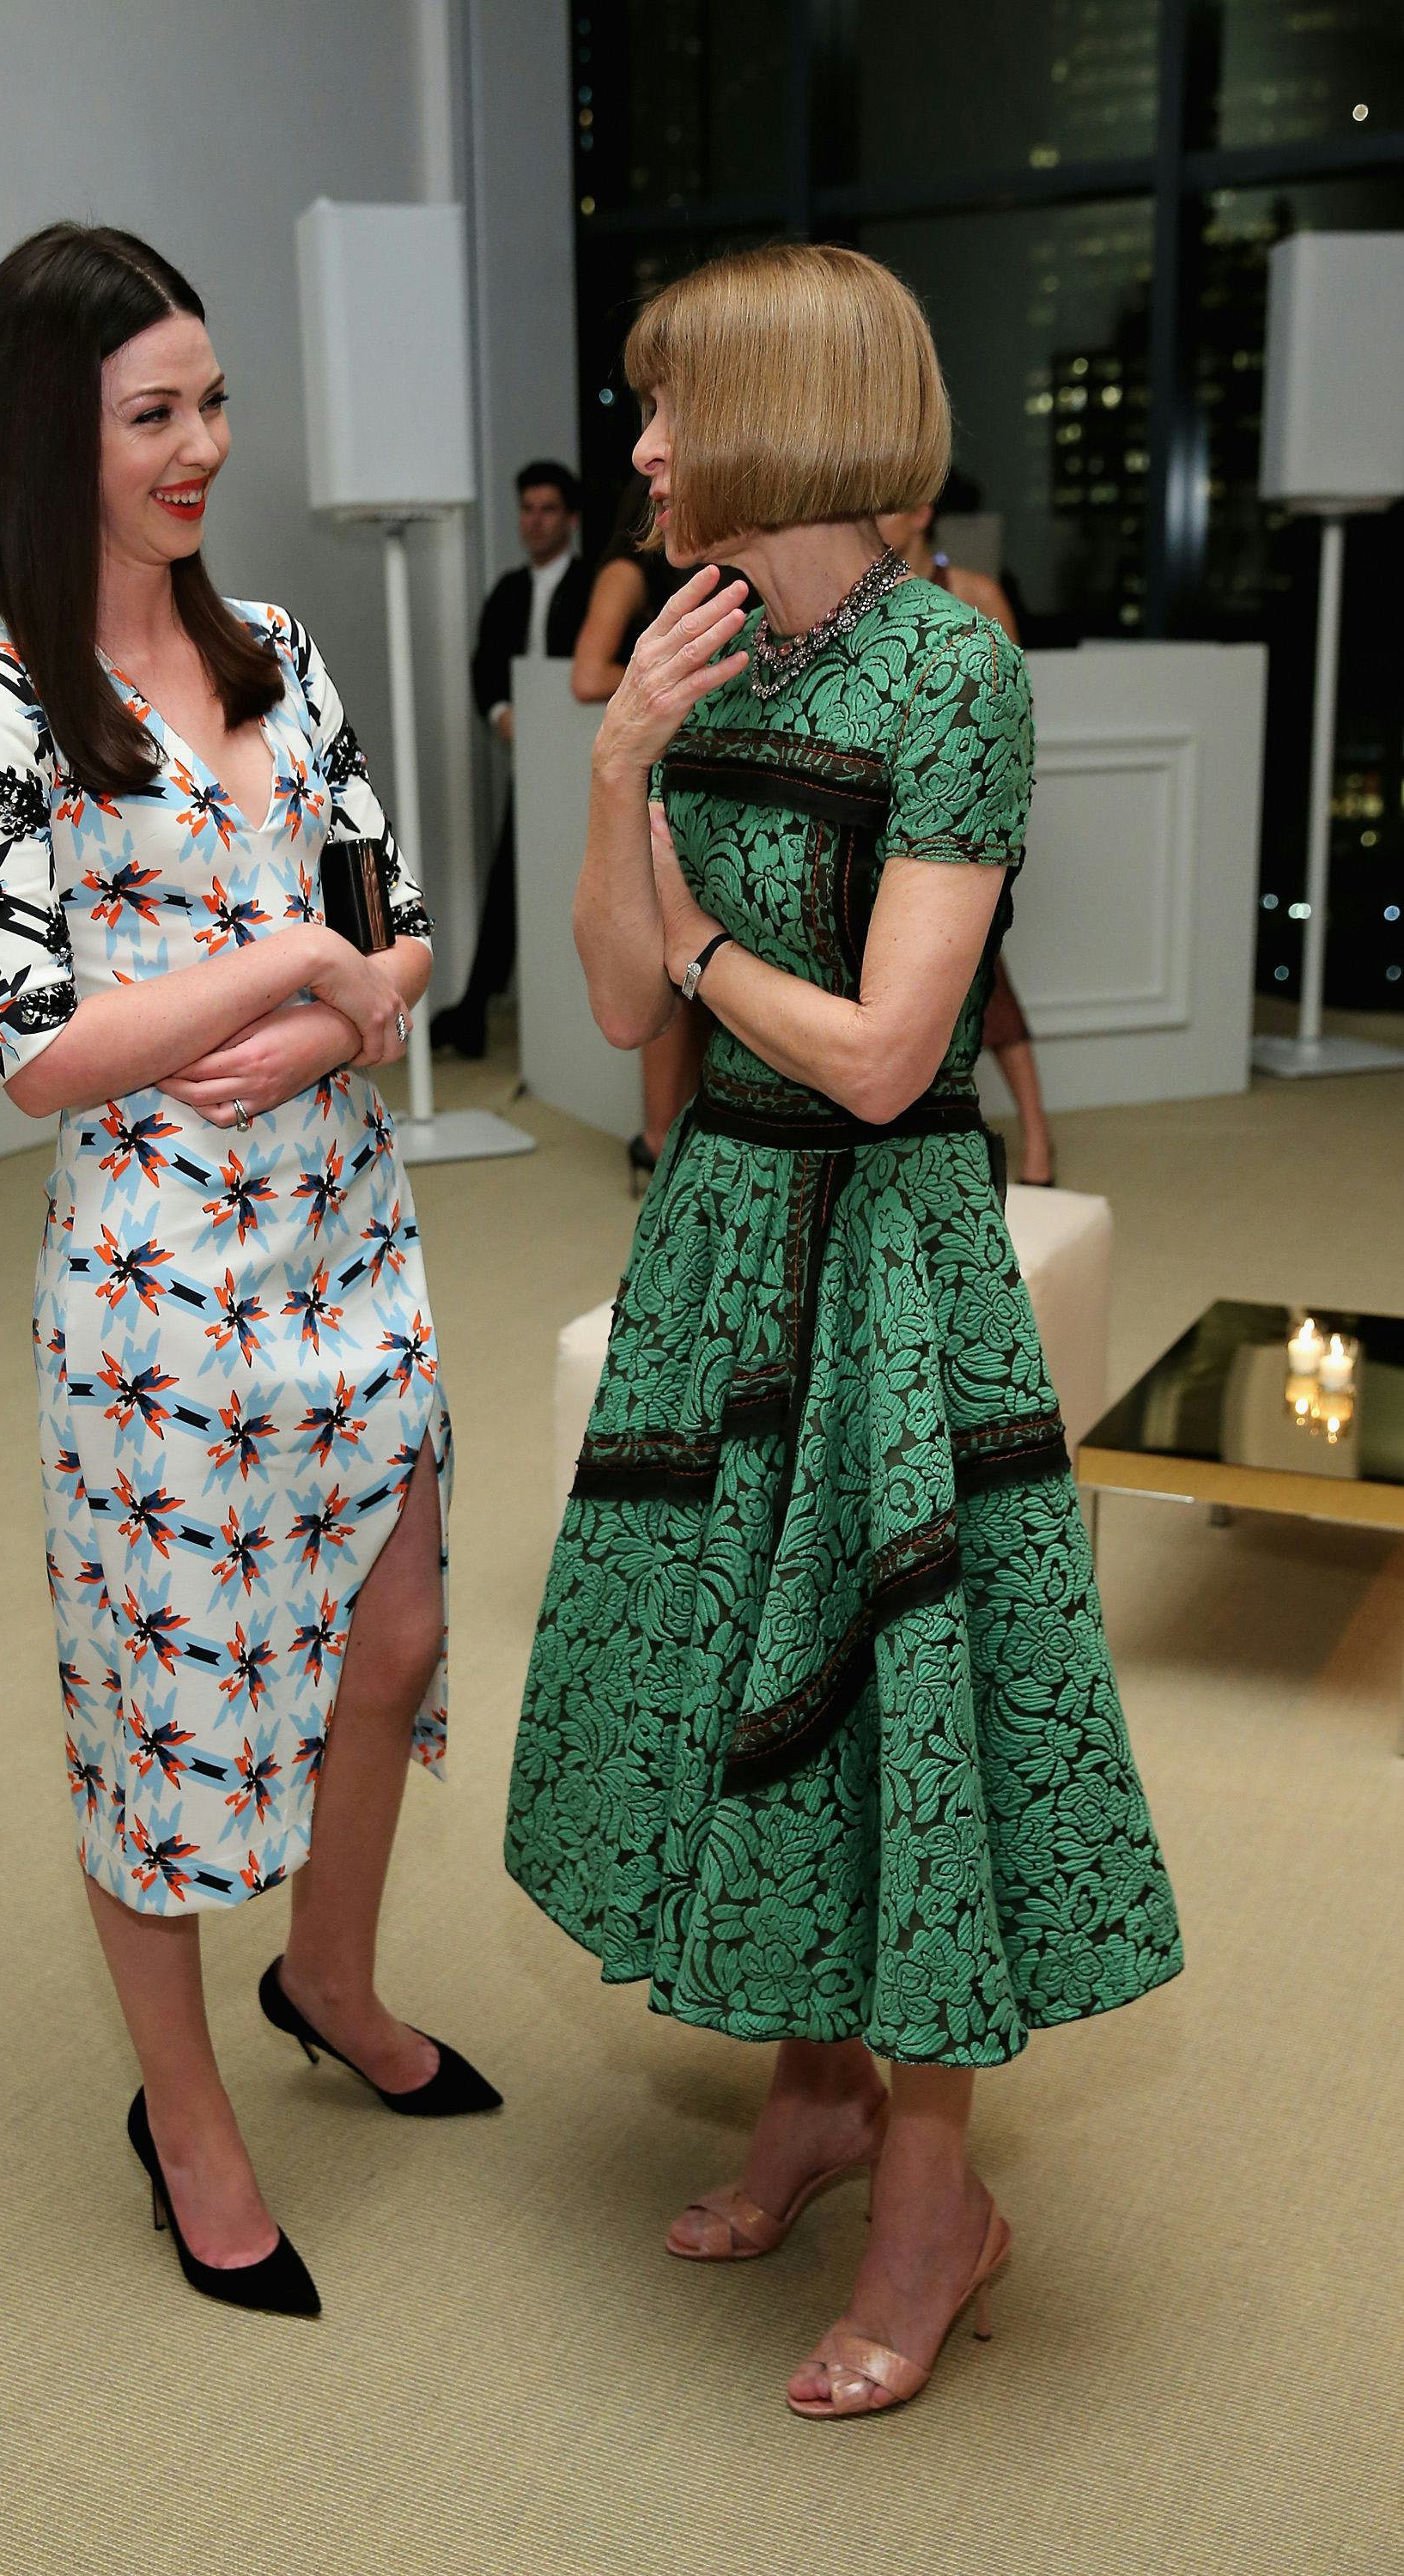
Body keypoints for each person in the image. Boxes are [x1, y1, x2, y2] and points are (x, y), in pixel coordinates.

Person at [505, 243, 1182, 2421]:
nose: (638, 445)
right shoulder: (704, 648)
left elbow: (894, 1053)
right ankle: (805, 2100)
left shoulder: (944, 675)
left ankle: (933, 2203)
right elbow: (613, 999)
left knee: (896, 1700)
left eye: (665, 405)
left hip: (882, 1242)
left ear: (779, 411)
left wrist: (697, 947)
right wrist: (618, 773)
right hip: (726, 1226)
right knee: (739, 1659)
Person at [0, 223, 498, 2320]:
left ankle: (325, 1972)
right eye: (152, 413)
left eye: (211, 401)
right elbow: (34, 1046)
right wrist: (285, 966)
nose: (202, 446)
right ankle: (181, 2121)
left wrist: (355, 1006)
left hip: (350, 1232)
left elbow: (401, 916)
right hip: (159, 1291)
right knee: (160, 1722)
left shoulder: (279, 646)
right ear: (46, 434)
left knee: (400, 1632)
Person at [879, 496, 1056, 1185]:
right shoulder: (872, 597)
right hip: (894, 816)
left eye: (888, 507)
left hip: (967, 818)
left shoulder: (976, 593)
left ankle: (1037, 1139)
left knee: (986, 975)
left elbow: (1009, 707)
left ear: (922, 512)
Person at [429, 460, 591, 1060]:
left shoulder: (593, 587)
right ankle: (476, 1006)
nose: (535, 521)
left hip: (579, 762)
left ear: (570, 520)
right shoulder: (508, 591)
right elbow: (484, 668)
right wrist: (501, 714)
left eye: (548, 509)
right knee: (510, 877)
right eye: (527, 509)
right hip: (530, 760)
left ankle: (512, 1013)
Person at [570, 474, 704, 1187]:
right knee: (666, 967)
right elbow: (587, 674)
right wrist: (681, 674)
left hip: (710, 763)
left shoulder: (725, 571)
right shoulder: (626, 571)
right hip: (663, 769)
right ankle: (656, 1138)